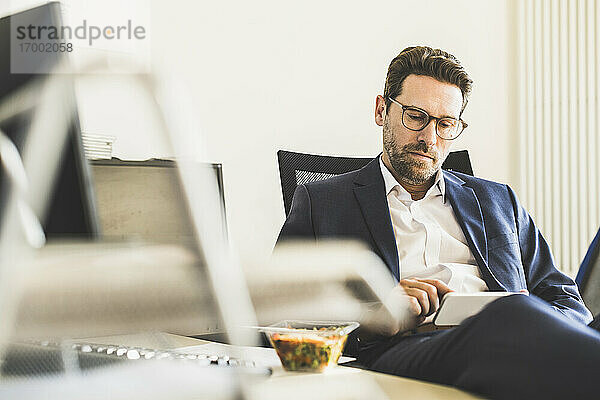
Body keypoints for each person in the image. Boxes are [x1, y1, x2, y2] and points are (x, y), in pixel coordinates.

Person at [277, 46, 600, 399]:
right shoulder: (322, 201)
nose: (429, 138)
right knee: (509, 316)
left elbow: (567, 300)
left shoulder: (497, 200)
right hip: (400, 352)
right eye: (416, 116)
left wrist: (539, 325)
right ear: (381, 110)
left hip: (517, 343)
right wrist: (378, 316)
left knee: (517, 315)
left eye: (445, 124)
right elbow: (281, 315)